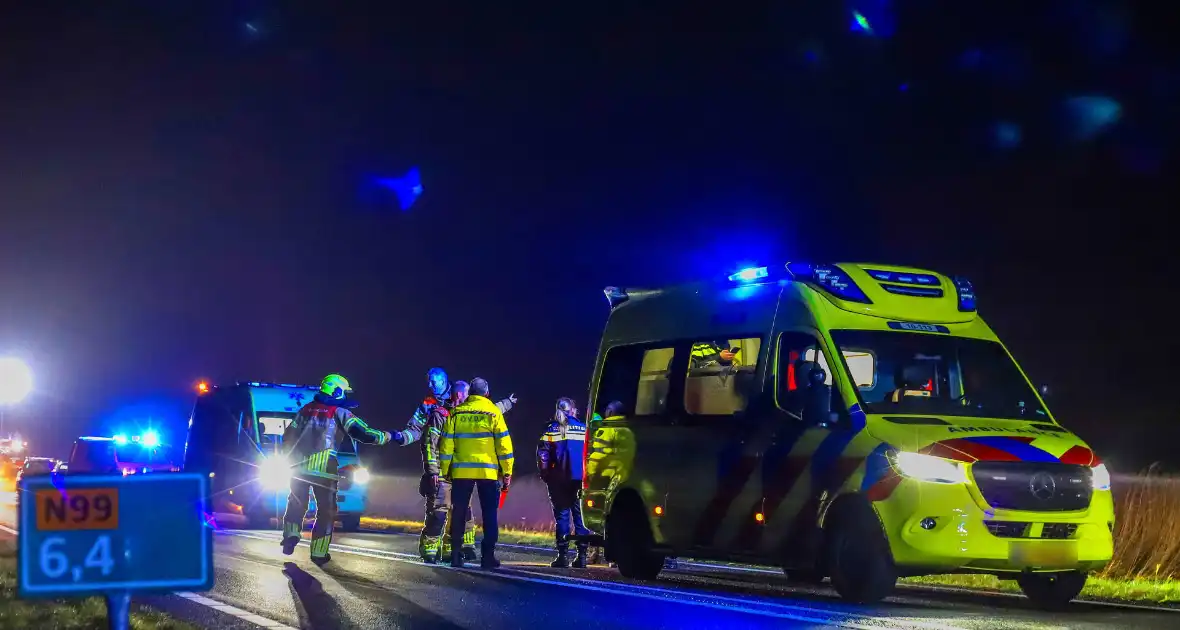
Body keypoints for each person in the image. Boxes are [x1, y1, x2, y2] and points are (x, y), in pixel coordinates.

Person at [398, 367, 517, 562]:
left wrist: (509, 403)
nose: (462, 400)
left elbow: (491, 411)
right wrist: (435, 471)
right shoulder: (442, 414)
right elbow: (432, 444)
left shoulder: (460, 413)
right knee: (439, 511)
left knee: (462, 513)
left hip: (460, 473)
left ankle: (455, 550)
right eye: (459, 397)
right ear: (453, 396)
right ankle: (431, 549)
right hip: (450, 473)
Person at [281, 374, 396, 565]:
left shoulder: (305, 410)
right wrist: (387, 436)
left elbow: (288, 437)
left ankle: (291, 534)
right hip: (325, 468)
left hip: (298, 468)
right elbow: (365, 433)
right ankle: (319, 553)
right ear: (336, 391)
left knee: (296, 502)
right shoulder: (340, 412)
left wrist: (289, 458)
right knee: (326, 511)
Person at [440, 377, 514, 569]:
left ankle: (456, 555)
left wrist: (445, 470)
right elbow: (504, 445)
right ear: (486, 393)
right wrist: (507, 471)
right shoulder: (494, 412)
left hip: (461, 472)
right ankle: (487, 557)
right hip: (487, 473)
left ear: (470, 393)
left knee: (459, 513)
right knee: (490, 514)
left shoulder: (455, 413)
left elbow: (446, 445)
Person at [537, 397, 591, 568]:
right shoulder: (584, 429)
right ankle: (582, 557)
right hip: (581, 480)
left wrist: (546, 475)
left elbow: (543, 455)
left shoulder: (551, 430)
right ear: (573, 410)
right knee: (580, 517)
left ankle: (563, 556)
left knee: (562, 517)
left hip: (558, 480)